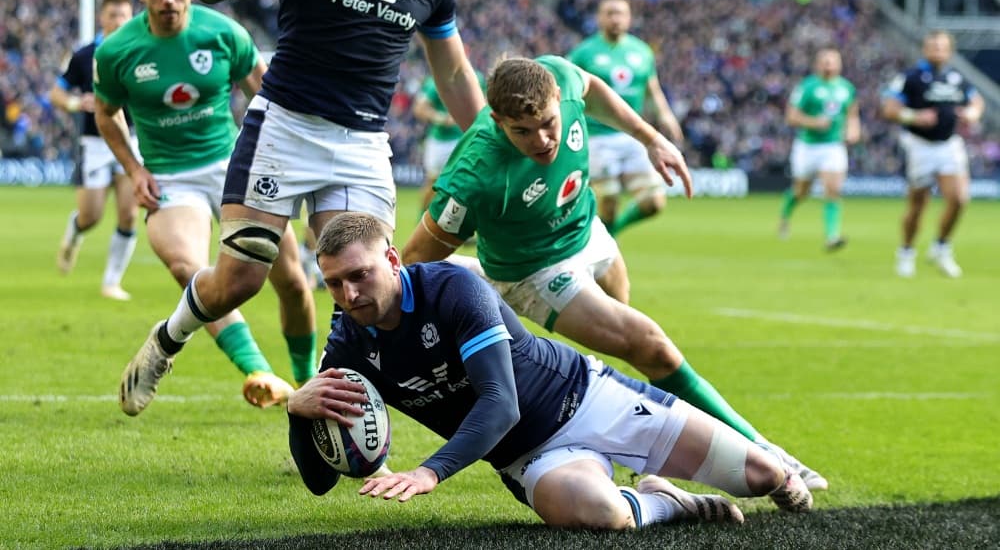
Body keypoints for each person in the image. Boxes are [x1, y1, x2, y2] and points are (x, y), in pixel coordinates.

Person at [116, 0, 485, 416]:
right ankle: (167, 340)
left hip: (361, 143)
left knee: (362, 288)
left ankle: (330, 420)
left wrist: (492, 140)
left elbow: (452, 71)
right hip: (285, 130)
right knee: (240, 281)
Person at [402, 55, 828, 493]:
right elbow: (415, 255)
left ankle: (654, 454)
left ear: (556, 98)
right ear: (497, 120)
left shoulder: (560, 77)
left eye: (549, 123)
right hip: (534, 272)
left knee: (634, 348)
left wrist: (650, 138)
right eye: (522, 132)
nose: (543, 140)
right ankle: (766, 454)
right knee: (652, 347)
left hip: (587, 229)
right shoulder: (476, 174)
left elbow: (593, 87)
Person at [287, 212, 813, 529]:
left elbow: (501, 403)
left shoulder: (452, 289)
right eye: (333, 282)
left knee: (761, 476)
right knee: (602, 516)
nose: (349, 294)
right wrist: (297, 410)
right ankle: (665, 501)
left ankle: (769, 467)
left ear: (394, 261)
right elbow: (320, 482)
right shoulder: (349, 347)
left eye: (360, 275)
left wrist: (430, 471)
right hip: (528, 457)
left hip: (589, 398)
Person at [94, 0, 317, 414]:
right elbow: (106, 114)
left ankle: (310, 381)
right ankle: (257, 369)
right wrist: (135, 169)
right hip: (169, 177)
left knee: (294, 282)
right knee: (188, 267)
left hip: (235, 167)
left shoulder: (224, 33)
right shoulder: (117, 51)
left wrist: (284, 161)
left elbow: (268, 96)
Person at [567, 0, 684, 237]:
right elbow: (568, 89)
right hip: (597, 136)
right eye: (609, 13)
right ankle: (603, 251)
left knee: (654, 202)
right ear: (599, 18)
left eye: (620, 13)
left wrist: (665, 114)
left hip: (632, 135)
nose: (615, 18)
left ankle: (610, 239)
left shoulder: (642, 51)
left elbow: (652, 89)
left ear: (629, 18)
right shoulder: (584, 53)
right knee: (607, 204)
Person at [50, 0, 139, 301]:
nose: (118, 21)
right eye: (113, 15)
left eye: (124, 16)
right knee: (92, 215)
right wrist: (76, 103)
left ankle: (111, 282)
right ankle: (75, 231)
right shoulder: (85, 55)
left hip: (130, 140)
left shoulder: (141, 51)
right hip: (94, 143)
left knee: (129, 214)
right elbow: (56, 94)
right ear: (102, 17)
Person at [882, 30, 984, 278]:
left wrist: (972, 114)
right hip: (920, 145)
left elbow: (977, 101)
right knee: (918, 205)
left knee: (959, 198)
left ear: (950, 51)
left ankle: (941, 247)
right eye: (934, 46)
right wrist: (914, 116)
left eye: (943, 47)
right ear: (925, 49)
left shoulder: (956, 78)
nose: (938, 50)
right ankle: (906, 252)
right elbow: (889, 108)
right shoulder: (911, 77)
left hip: (949, 144)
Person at [777, 48, 860, 250]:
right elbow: (791, 116)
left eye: (832, 61)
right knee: (801, 192)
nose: (829, 65)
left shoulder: (846, 88)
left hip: (833, 146)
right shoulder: (807, 87)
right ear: (817, 64)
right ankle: (785, 216)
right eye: (825, 61)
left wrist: (853, 131)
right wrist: (813, 122)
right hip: (807, 146)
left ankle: (832, 236)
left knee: (833, 189)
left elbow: (852, 114)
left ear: (840, 64)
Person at [411, 69, 485, 214]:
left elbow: (486, 102)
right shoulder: (435, 81)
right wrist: (441, 118)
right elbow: (419, 109)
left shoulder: (477, 77)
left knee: (466, 183)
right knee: (433, 184)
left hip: (465, 138)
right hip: (440, 142)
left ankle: (459, 224)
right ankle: (423, 218)